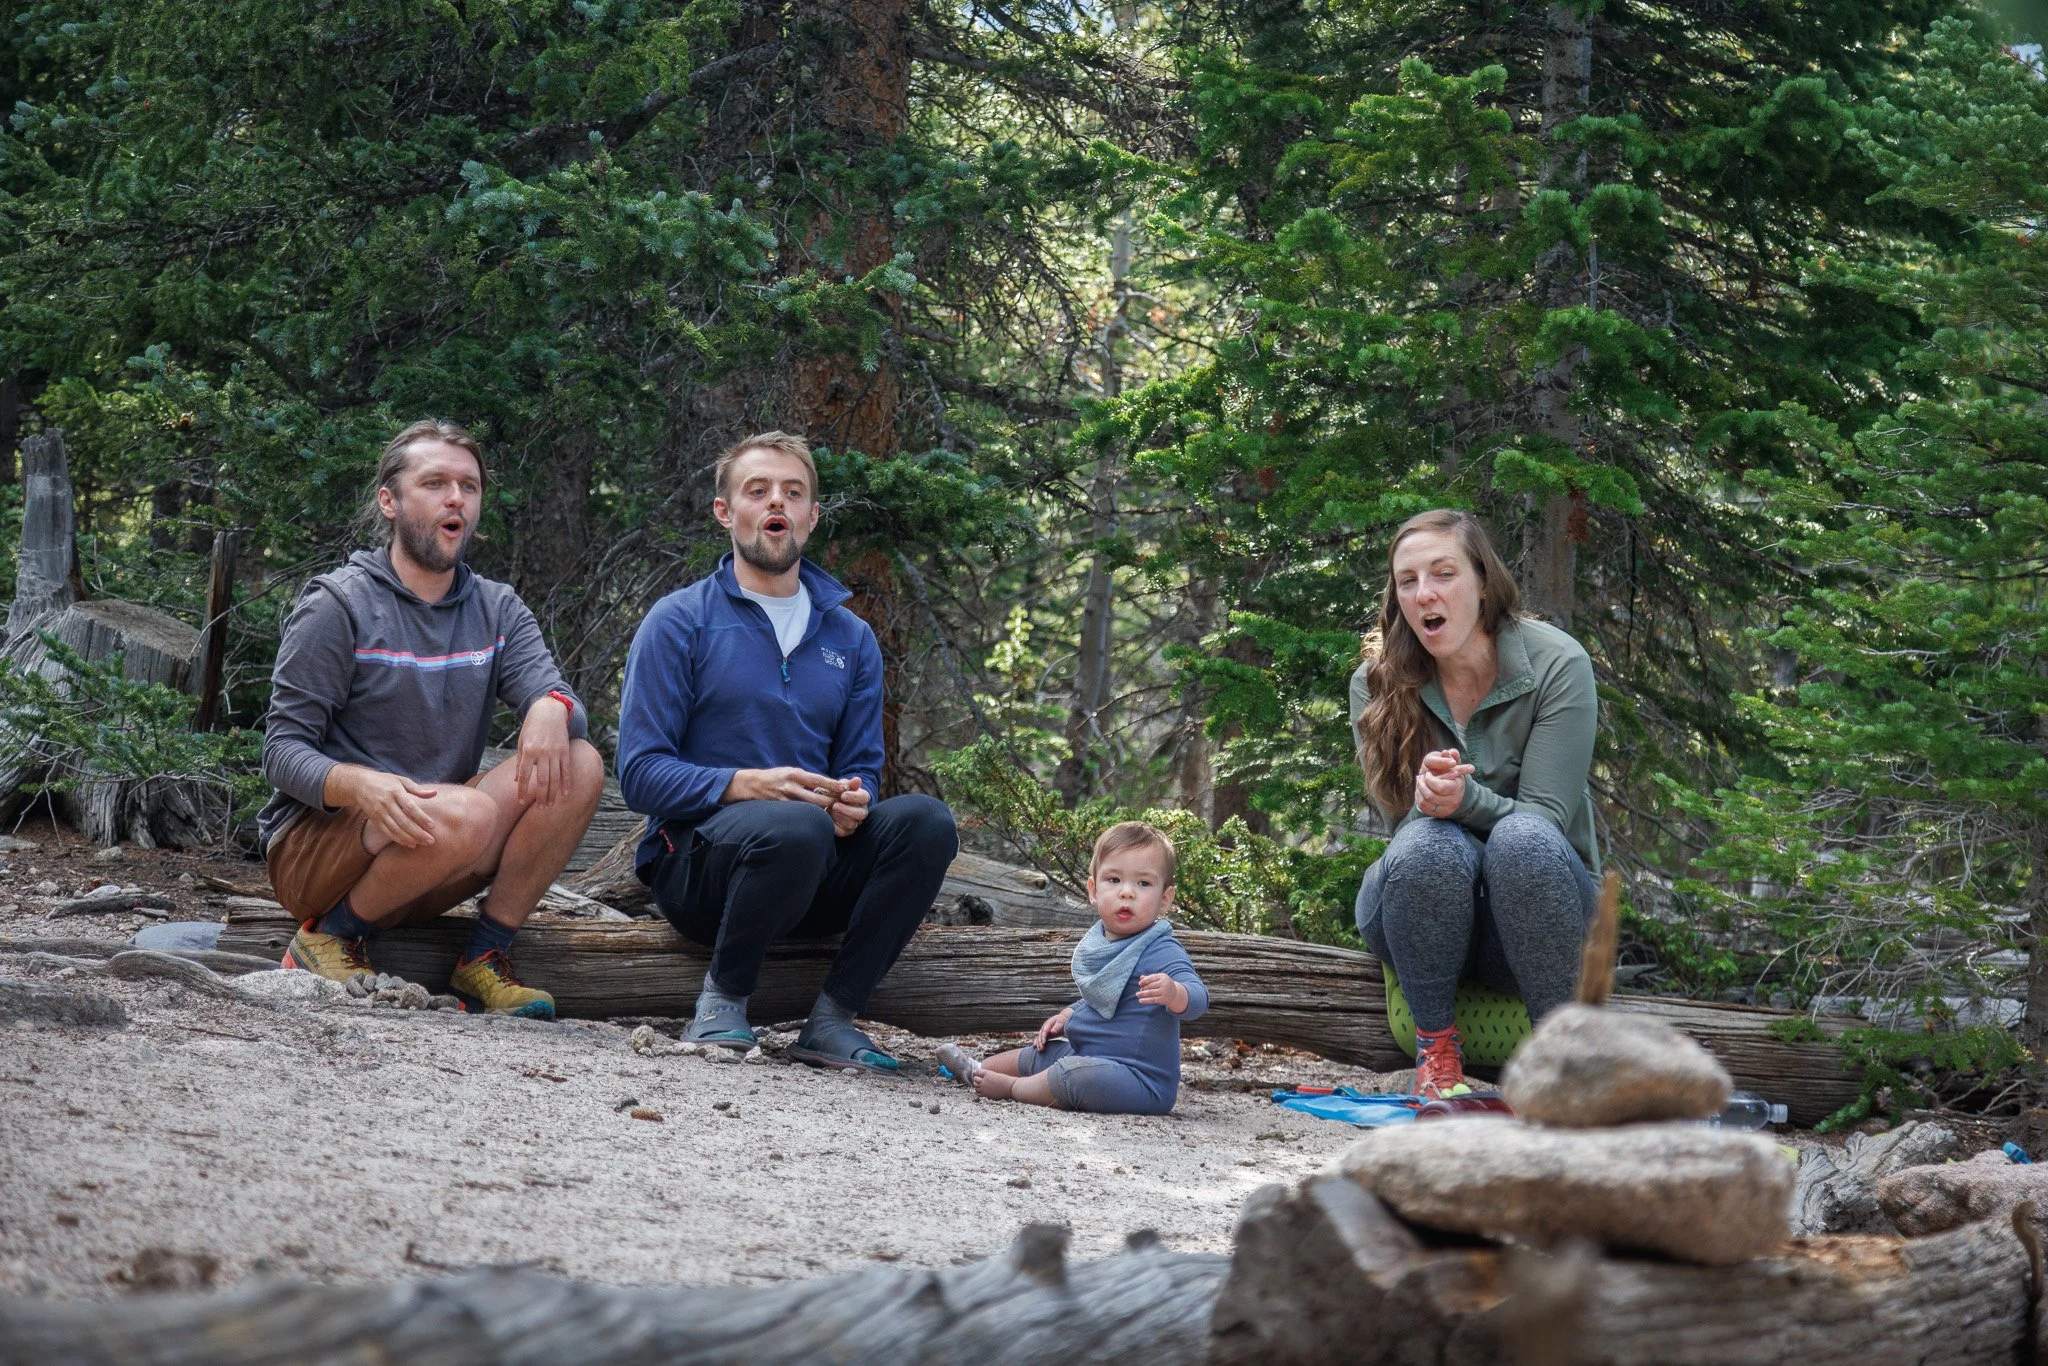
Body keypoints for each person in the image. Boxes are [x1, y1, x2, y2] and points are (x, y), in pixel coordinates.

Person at [616, 431, 958, 1073]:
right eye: (758, 490)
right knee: (794, 825)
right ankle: (721, 1003)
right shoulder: (680, 620)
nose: (777, 501)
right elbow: (639, 773)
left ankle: (832, 1020)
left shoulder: (851, 637)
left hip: (813, 867)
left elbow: (861, 768)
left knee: (927, 821)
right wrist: (746, 784)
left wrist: (853, 802)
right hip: (700, 873)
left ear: (812, 516)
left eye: (793, 492)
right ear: (726, 513)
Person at [259, 419, 606, 1017]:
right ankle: (329, 938)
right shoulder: (338, 605)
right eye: (435, 483)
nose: (456, 499)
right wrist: (360, 786)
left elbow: (556, 695)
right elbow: (281, 751)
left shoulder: (496, 607)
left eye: (469, 487)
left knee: (581, 763)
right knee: (468, 811)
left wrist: (552, 706)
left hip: (437, 852)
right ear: (389, 502)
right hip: (319, 857)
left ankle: (484, 958)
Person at [1350, 508, 1601, 1098]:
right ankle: (1436, 1054)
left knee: (1523, 841)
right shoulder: (1376, 681)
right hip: (1428, 925)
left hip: (1546, 917)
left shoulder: (1558, 664)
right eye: (1407, 581)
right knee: (1426, 842)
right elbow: (1402, 833)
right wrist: (1427, 802)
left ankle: (1561, 1065)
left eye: (1443, 573)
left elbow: (1546, 822)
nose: (1424, 593)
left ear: (1484, 581)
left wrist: (1466, 801)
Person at [935, 822, 1208, 1115]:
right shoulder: (1100, 942)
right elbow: (1103, 996)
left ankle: (1012, 1088)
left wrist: (1174, 992)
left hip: (1138, 1079)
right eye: (1114, 880)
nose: (1127, 892)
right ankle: (976, 1070)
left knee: (1073, 1074)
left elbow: (1199, 998)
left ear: (1164, 899)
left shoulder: (1160, 949)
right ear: (1093, 890)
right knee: (1040, 1054)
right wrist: (1068, 1015)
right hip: (1088, 1054)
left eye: (1143, 883)